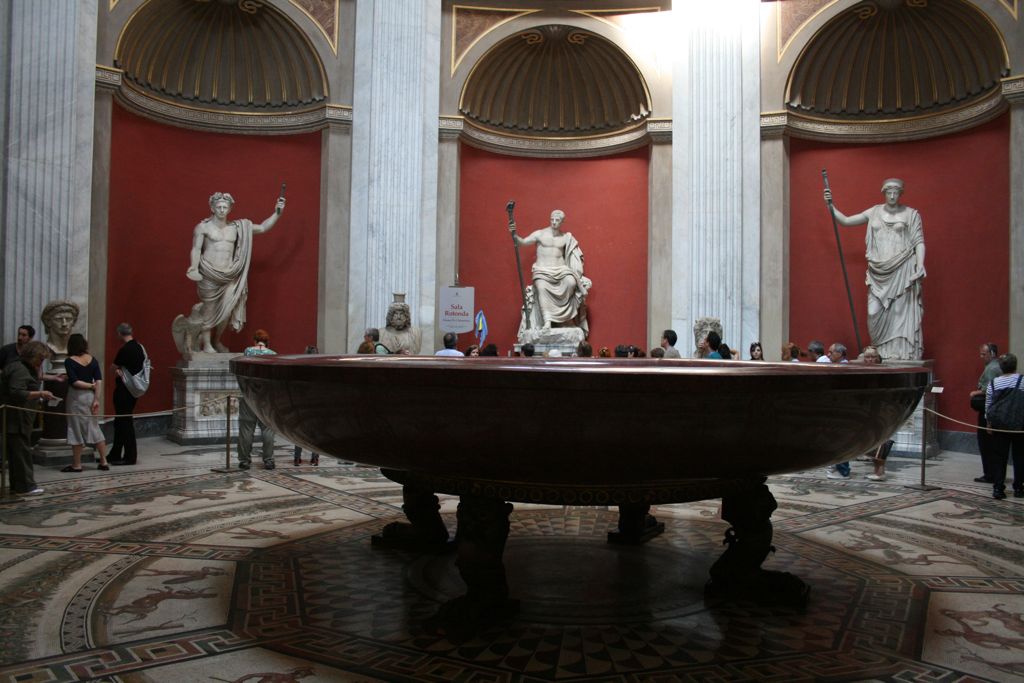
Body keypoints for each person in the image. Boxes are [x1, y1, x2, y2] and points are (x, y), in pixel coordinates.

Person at [824, 178, 925, 360]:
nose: (892, 196)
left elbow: (919, 242)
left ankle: (899, 353)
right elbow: (846, 221)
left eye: (896, 193)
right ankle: (878, 350)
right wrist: (831, 207)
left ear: (901, 194)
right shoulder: (874, 212)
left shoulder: (911, 214)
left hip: (902, 267)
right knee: (873, 312)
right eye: (889, 192)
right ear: (883, 193)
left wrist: (920, 264)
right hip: (878, 272)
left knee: (899, 312)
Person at [174, 191, 285, 354]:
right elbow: (196, 249)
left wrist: (277, 213)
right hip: (209, 273)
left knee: (226, 311)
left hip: (229, 275)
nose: (221, 210)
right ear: (212, 208)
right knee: (210, 309)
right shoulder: (203, 227)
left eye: (225, 207)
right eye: (218, 206)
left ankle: (216, 340)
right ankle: (206, 344)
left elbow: (261, 228)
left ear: (230, 209)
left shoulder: (237, 228)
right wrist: (193, 267)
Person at [509, 209, 592, 333]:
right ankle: (547, 321)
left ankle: (563, 319)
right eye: (552, 219)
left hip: (561, 270)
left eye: (557, 220)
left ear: (562, 222)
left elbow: (572, 254)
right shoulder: (540, 234)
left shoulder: (566, 238)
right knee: (541, 288)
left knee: (570, 283)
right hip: (542, 271)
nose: (554, 222)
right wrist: (514, 235)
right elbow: (522, 242)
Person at [1, 341, 57, 494]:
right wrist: (41, 394)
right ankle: (26, 485)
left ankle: (18, 485)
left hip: (19, 417)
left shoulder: (22, 367)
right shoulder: (20, 369)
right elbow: (17, 392)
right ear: (33, 356)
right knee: (21, 452)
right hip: (16, 417)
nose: (41, 363)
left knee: (17, 453)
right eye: (40, 359)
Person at [62, 333, 110, 472]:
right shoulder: (92, 359)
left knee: (75, 428)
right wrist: (96, 399)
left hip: (77, 398)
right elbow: (99, 380)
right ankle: (103, 460)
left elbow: (75, 381)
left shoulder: (69, 361)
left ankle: (77, 464)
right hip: (90, 397)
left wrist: (90, 386)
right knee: (94, 427)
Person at [985, 353, 1023, 499]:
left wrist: (988, 423)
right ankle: (1019, 487)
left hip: (999, 424)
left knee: (999, 457)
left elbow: (989, 405)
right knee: (1020, 457)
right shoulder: (1022, 380)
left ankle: (998, 488)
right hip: (1019, 424)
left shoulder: (994, 383)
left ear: (1001, 367)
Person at [237, 329, 277, 470]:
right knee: (268, 429)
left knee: (247, 428)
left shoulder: (248, 351)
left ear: (255, 340)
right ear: (267, 342)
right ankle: (268, 460)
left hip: (249, 395)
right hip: (265, 397)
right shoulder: (273, 355)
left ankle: (245, 460)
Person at [108, 323, 146, 466]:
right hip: (133, 390)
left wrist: (117, 371)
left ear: (119, 333)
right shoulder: (139, 347)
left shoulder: (125, 349)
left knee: (124, 422)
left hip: (124, 390)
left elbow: (112, 368)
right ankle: (115, 453)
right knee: (120, 422)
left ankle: (130, 456)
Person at [971, 342, 1001, 484]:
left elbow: (988, 390)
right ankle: (994, 472)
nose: (981, 357)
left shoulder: (992, 369)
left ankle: (990, 474)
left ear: (992, 354)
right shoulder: (996, 366)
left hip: (988, 410)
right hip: (994, 410)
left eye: (984, 354)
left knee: (986, 443)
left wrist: (974, 393)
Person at [293, 345, 320, 466]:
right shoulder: (321, 369)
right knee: (315, 432)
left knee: (299, 431)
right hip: (315, 402)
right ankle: (315, 458)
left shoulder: (299, 368)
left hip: (301, 402)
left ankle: (297, 458)